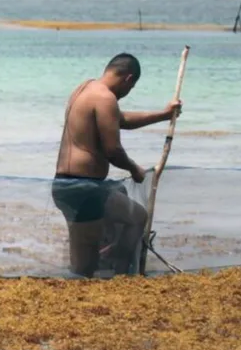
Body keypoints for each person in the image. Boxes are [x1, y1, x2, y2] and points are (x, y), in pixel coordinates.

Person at [52, 53, 182, 277]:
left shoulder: (85, 89)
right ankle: (118, 268)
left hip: (65, 186)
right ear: (128, 79)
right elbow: (113, 150)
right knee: (85, 264)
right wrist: (135, 169)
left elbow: (121, 120)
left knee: (135, 217)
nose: (126, 93)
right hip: (85, 188)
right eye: (131, 88)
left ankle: (116, 267)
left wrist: (164, 114)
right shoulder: (105, 98)